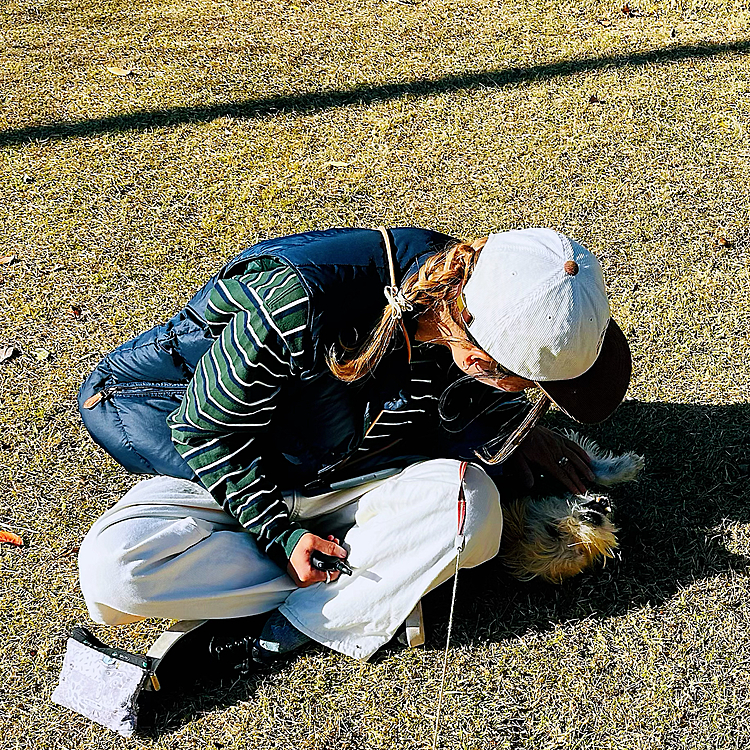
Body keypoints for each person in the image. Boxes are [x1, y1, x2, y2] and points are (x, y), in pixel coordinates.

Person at [77, 226, 631, 673]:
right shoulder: (300, 298)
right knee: (116, 570)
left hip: (340, 470)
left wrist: (512, 430)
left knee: (474, 509)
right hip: (213, 455)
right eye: (527, 384)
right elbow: (204, 432)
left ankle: (285, 622)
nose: (531, 400)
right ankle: (365, 586)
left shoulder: (459, 293)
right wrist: (282, 535)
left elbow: (420, 421)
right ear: (483, 360)